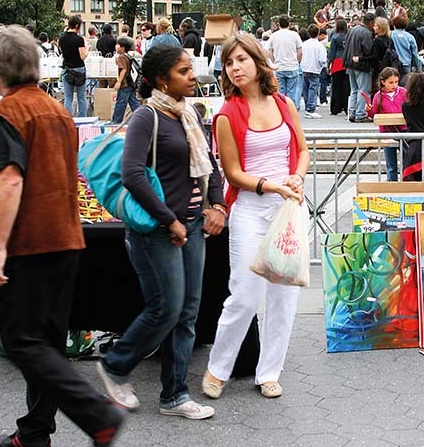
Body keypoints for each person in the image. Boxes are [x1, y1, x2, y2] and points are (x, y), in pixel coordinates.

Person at [0, 25, 123, 447]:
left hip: (31, 241)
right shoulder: (57, 110)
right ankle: (36, 432)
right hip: (66, 237)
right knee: (45, 341)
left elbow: (9, 179)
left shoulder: (9, 112)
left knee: (23, 340)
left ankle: (97, 414)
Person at [98, 44, 227, 418]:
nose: (192, 76)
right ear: (160, 79)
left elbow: (210, 167)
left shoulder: (190, 116)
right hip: (157, 230)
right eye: (183, 71)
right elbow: (132, 174)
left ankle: (175, 395)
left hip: (192, 227)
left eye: (191, 69)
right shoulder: (147, 118)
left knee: (187, 312)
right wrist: (168, 219)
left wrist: (215, 206)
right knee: (165, 308)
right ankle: (114, 367)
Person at [204, 33, 310, 400]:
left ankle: (269, 371)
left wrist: (296, 176)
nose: (235, 68)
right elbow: (231, 173)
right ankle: (218, 370)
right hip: (250, 208)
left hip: (289, 208)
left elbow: (302, 150)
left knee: (283, 297)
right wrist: (272, 186)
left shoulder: (283, 103)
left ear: (258, 60)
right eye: (229, 62)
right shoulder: (226, 114)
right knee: (245, 295)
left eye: (241, 60)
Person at [366, 66, 407, 181]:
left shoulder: (403, 92)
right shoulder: (378, 96)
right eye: (391, 82)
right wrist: (369, 110)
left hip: (403, 130)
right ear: (383, 82)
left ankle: (407, 182)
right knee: (391, 164)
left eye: (396, 82)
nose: (394, 85)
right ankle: (392, 183)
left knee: (406, 160)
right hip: (387, 132)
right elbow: (373, 114)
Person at [343, 12, 374, 122]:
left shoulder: (353, 29)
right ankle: (360, 113)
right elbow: (368, 49)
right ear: (370, 23)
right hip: (361, 64)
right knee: (363, 89)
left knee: (354, 89)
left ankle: (352, 112)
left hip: (349, 63)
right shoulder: (366, 33)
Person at [267, 15, 303, 108]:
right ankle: (291, 110)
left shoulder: (273, 36)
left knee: (280, 91)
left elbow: (269, 51)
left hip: (279, 66)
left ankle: (281, 110)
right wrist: (297, 61)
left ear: (279, 24)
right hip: (292, 66)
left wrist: (274, 61)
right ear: (289, 24)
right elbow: (300, 51)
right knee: (292, 92)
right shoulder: (295, 35)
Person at [59, 14, 88, 117]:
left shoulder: (61, 38)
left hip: (67, 69)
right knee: (81, 97)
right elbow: (82, 57)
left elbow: (62, 52)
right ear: (77, 26)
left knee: (68, 97)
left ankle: (68, 118)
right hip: (79, 69)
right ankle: (83, 119)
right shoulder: (79, 39)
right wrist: (87, 49)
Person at [112, 36, 140, 124]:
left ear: (123, 47)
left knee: (121, 102)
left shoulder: (122, 57)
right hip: (131, 83)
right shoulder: (127, 56)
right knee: (133, 102)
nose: (116, 46)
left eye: (118, 45)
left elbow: (123, 69)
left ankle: (116, 120)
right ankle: (141, 117)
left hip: (125, 84)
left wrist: (119, 82)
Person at [300, 23, 326, 119]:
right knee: (313, 89)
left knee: (306, 88)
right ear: (318, 33)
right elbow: (322, 59)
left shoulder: (304, 44)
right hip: (315, 69)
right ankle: (311, 109)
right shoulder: (319, 46)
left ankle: (308, 106)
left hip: (305, 68)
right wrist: (321, 66)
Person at [327, 16, 349, 116]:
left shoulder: (335, 37)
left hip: (337, 62)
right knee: (346, 87)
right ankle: (346, 106)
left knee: (336, 86)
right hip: (346, 62)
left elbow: (332, 52)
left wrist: (328, 63)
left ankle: (335, 108)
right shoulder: (348, 36)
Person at [369, 16, 396, 92]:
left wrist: (361, 58)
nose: (374, 28)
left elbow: (375, 56)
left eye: (375, 26)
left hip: (378, 69)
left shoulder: (377, 41)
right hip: (388, 67)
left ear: (380, 27)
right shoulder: (389, 39)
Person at [390, 12, 420, 79]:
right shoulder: (410, 37)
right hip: (406, 64)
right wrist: (417, 68)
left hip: (393, 65)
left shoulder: (390, 34)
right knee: (405, 86)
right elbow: (415, 54)